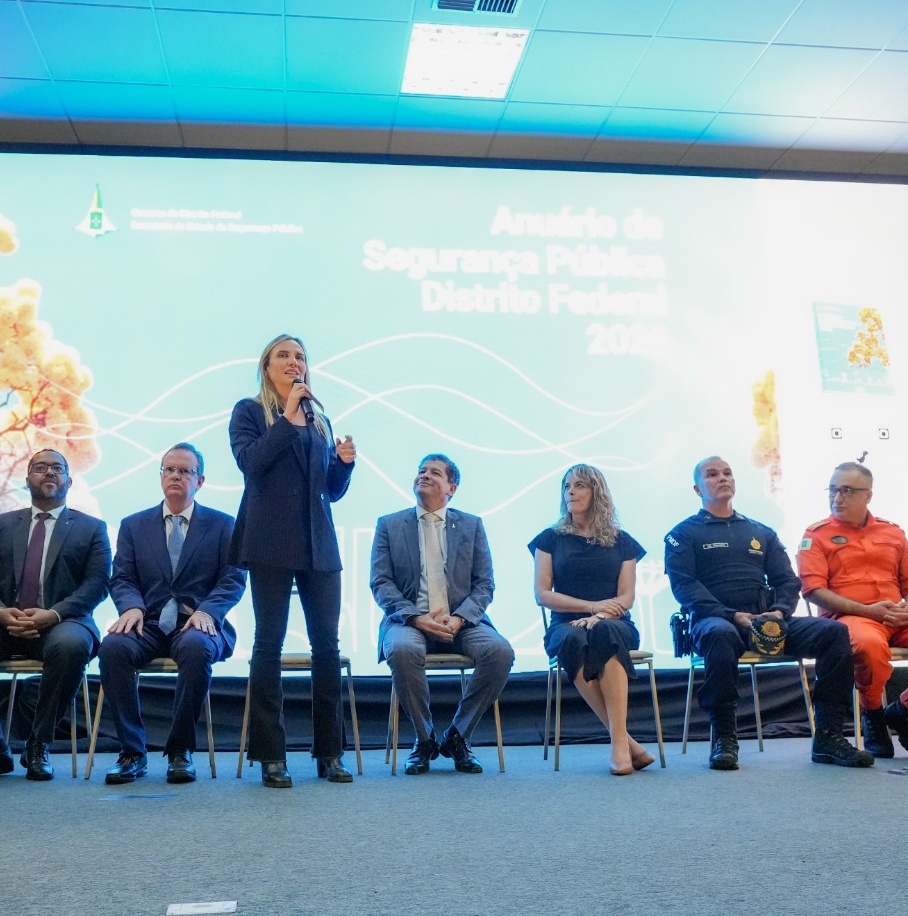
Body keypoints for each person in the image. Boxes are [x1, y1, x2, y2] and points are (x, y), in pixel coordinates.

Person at [665, 456, 872, 770]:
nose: (722, 478)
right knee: (719, 633)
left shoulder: (760, 531)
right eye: (712, 474)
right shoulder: (681, 534)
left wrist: (779, 611)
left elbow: (787, 580)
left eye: (727, 472)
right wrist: (731, 615)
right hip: (716, 622)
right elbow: (684, 587)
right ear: (697, 489)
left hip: (767, 622)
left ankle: (829, 736)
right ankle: (724, 737)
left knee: (833, 632)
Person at [228, 334, 356, 788]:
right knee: (269, 643)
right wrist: (286, 418)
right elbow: (251, 464)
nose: (293, 362)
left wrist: (343, 465)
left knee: (327, 648)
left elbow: (329, 491)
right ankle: (271, 755)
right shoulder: (249, 412)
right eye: (283, 355)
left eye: (300, 356)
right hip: (270, 541)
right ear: (266, 367)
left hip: (318, 542)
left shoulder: (319, 418)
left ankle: (330, 753)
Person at [0, 449, 111, 783]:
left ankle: (38, 744)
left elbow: (98, 584)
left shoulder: (92, 528)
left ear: (70, 480)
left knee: (72, 646)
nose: (50, 473)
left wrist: (54, 614)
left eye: (57, 468)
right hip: (0, 621)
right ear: (27, 479)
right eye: (40, 467)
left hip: (63, 622)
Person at [797, 461, 908, 760]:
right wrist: (869, 611)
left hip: (899, 617)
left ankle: (904, 710)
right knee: (869, 647)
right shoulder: (816, 535)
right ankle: (873, 714)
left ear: (868, 495)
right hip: (851, 618)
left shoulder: (892, 532)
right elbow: (815, 591)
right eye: (832, 490)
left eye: (847, 490)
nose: (837, 498)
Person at [98, 443, 246, 785]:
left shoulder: (223, 525)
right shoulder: (134, 525)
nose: (175, 476)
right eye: (169, 469)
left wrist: (208, 611)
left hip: (197, 622)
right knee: (113, 648)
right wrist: (131, 606)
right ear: (161, 476)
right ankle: (132, 752)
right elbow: (122, 577)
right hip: (148, 622)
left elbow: (233, 578)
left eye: (184, 471)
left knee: (196, 648)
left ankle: (180, 751)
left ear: (200, 481)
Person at [371, 453, 513, 774]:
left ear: (452, 488)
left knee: (500, 652)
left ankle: (457, 736)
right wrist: (415, 617)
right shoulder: (389, 525)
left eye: (435, 473)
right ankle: (424, 739)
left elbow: (484, 584)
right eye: (421, 471)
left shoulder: (472, 525)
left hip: (461, 622)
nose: (424, 475)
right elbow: (381, 582)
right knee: (402, 649)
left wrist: (460, 618)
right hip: (409, 621)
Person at [529, 463, 654, 776]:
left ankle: (619, 744)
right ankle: (623, 741)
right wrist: (590, 607)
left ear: (596, 491)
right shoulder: (550, 539)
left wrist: (599, 615)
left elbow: (626, 597)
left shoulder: (623, 541)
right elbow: (542, 594)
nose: (570, 492)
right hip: (565, 625)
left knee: (605, 632)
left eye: (579, 485)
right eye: (567, 486)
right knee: (575, 638)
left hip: (615, 623)